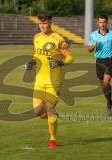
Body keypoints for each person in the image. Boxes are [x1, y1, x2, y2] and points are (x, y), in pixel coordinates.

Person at [25, 11, 73, 149]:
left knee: (50, 109)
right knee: (38, 112)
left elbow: (70, 57)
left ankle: (53, 139)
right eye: (40, 23)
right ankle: (53, 118)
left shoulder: (58, 39)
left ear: (51, 22)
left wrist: (60, 63)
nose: (42, 26)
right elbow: (36, 54)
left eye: (45, 23)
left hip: (54, 81)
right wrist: (31, 62)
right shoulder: (36, 38)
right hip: (39, 80)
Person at [87, 14, 112, 116]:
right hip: (99, 61)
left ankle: (108, 105)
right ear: (98, 23)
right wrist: (93, 46)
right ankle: (111, 103)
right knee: (102, 85)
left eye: (104, 22)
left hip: (110, 61)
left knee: (106, 82)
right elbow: (89, 50)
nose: (102, 24)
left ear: (107, 23)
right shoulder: (93, 35)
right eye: (101, 22)